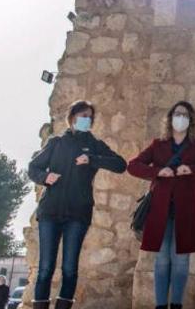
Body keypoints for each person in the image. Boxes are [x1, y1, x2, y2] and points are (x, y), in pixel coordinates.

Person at [28, 100, 127, 309]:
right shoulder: (56, 143)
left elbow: (120, 164)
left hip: (78, 215)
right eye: (83, 116)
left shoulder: (94, 144)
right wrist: (45, 177)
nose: (87, 120)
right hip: (50, 213)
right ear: (72, 118)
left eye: (90, 117)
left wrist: (91, 159)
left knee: (70, 268)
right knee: (45, 268)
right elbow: (33, 167)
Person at [129, 101, 195, 309]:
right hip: (160, 211)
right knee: (162, 260)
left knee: (181, 261)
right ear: (170, 118)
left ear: (190, 120)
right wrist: (157, 172)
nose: (180, 118)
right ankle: (160, 305)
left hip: (187, 211)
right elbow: (133, 165)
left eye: (184, 115)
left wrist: (192, 169)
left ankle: (176, 304)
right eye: (177, 114)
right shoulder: (158, 145)